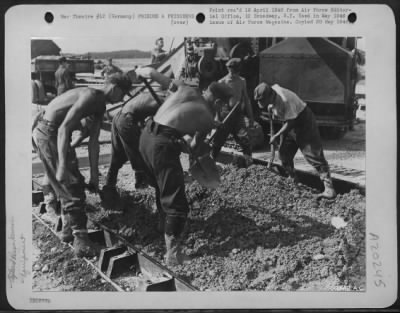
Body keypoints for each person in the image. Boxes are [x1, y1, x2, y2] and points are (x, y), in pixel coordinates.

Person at [135, 66, 233, 266]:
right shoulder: (206, 117)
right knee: (178, 204)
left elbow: (158, 76)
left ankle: (163, 226)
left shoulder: (186, 88)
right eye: (222, 107)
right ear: (217, 101)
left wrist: (145, 70)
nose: (221, 111)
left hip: (145, 137)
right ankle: (172, 255)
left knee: (163, 188)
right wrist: (207, 132)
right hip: (162, 145)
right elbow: (194, 150)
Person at [32, 73, 132, 257]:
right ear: (115, 88)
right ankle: (82, 243)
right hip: (50, 132)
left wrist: (95, 175)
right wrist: (62, 165)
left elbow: (94, 141)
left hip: (52, 133)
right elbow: (63, 128)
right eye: (122, 94)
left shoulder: (99, 103)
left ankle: (68, 231)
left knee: (75, 181)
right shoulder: (91, 96)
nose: (120, 99)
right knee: (71, 186)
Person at [254, 82, 337, 199]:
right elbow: (286, 120)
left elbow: (291, 122)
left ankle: (329, 189)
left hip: (303, 122)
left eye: (264, 101)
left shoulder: (285, 100)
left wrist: (276, 135)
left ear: (271, 96)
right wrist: (271, 108)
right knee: (284, 153)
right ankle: (293, 180)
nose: (262, 104)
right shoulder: (270, 93)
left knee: (313, 154)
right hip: (289, 122)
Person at [101, 87, 167, 209]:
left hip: (119, 116)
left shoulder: (158, 96)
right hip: (126, 119)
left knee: (117, 156)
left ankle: (109, 190)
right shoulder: (166, 102)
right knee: (143, 155)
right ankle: (148, 190)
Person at [211, 58, 254, 167]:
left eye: (235, 72)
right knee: (217, 143)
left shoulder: (242, 81)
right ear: (228, 69)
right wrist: (217, 118)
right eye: (231, 72)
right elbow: (217, 103)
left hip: (238, 116)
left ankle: (249, 165)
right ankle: (210, 164)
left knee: (245, 140)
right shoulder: (222, 82)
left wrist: (251, 118)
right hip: (225, 115)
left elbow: (246, 99)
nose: (233, 75)